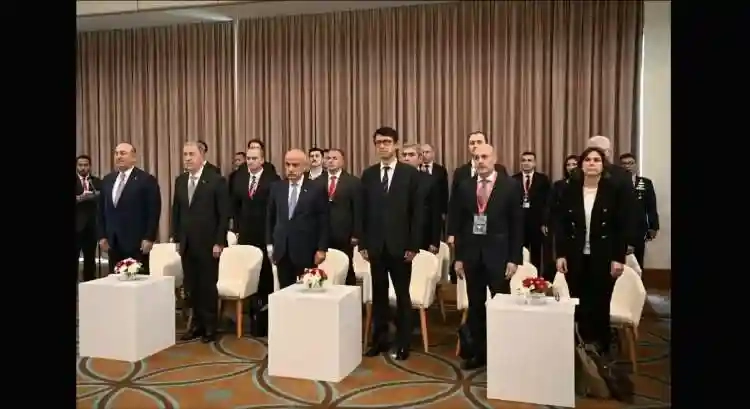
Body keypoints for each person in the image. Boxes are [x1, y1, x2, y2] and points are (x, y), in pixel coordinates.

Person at [448, 143, 523, 370]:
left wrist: (514, 259)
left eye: (484, 156)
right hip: (472, 256)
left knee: (502, 305)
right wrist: (459, 257)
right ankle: (479, 353)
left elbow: (517, 225)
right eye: (476, 157)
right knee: (476, 306)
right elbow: (459, 224)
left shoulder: (510, 186)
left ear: (494, 158)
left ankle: (504, 354)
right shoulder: (465, 186)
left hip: (499, 256)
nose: (480, 161)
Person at [554, 147, 628, 355]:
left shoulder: (613, 190)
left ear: (603, 165)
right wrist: (560, 254)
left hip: (604, 254)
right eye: (588, 160)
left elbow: (620, 226)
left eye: (597, 160)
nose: (592, 163)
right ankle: (580, 344)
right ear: (581, 165)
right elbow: (561, 224)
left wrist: (618, 258)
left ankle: (601, 344)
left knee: (600, 300)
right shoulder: (570, 190)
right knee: (578, 299)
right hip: (575, 254)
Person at [360, 127, 423, 361]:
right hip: (376, 247)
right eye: (378, 142)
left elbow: (418, 213)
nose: (382, 146)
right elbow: (363, 212)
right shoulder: (368, 175)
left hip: (401, 247)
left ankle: (403, 342)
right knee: (379, 295)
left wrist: (413, 246)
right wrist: (363, 243)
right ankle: (379, 340)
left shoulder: (410, 174)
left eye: (387, 141)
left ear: (396, 145)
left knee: (402, 295)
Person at [171, 142, 231, 343]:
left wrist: (219, 242)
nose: (187, 158)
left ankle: (210, 327)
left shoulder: (216, 180)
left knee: (207, 286)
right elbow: (176, 212)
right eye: (185, 154)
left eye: (191, 154)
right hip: (187, 243)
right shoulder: (180, 181)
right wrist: (176, 238)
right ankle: (195, 325)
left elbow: (223, 214)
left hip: (208, 243)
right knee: (191, 286)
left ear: (202, 155)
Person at [266, 149, 330, 289]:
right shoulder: (277, 187)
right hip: (282, 251)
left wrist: (322, 249)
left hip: (306, 250)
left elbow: (324, 220)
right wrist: (269, 244)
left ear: (305, 166)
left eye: (295, 165)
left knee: (307, 292)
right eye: (287, 164)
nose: (290, 169)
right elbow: (270, 217)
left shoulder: (316, 188)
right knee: (285, 291)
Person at [97, 143, 161, 275]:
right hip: (113, 242)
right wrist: (102, 236)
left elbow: (153, 211)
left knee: (137, 280)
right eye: (116, 153)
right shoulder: (108, 180)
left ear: (133, 157)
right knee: (115, 280)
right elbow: (101, 210)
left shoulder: (146, 180)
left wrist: (149, 237)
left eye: (123, 153)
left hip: (137, 242)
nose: (119, 156)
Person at [231, 146, 280, 295]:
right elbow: (235, 205)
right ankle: (249, 302)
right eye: (248, 159)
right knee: (247, 268)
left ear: (262, 160)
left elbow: (275, 209)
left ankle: (264, 301)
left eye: (254, 158)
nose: (250, 161)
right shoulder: (239, 178)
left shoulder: (273, 180)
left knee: (264, 269)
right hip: (245, 231)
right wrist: (236, 228)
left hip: (264, 231)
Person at [324, 148, 363, 285]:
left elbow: (358, 209)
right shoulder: (317, 181)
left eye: (335, 158)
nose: (331, 161)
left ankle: (350, 294)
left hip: (345, 234)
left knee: (346, 267)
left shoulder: (353, 182)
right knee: (324, 267)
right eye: (328, 158)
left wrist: (356, 233)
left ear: (342, 161)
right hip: (322, 233)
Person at [512, 151, 551, 275]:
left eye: (529, 160)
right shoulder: (513, 179)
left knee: (536, 254)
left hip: (536, 223)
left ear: (535, 163)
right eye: (524, 160)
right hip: (519, 223)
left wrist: (545, 222)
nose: (526, 163)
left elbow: (547, 202)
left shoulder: (543, 179)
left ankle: (535, 280)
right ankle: (519, 279)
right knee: (519, 253)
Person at [619, 152, 660, 268]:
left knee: (637, 261)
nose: (627, 166)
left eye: (630, 163)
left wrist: (654, 226)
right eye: (624, 164)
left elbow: (651, 206)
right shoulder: (615, 183)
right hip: (620, 228)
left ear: (636, 165)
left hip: (639, 228)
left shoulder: (645, 183)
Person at [401, 144, 441, 253]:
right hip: (398, 238)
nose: (406, 158)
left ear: (420, 158)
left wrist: (434, 242)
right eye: (404, 155)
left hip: (423, 237)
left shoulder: (430, 181)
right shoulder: (394, 180)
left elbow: (435, 213)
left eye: (411, 155)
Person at [76, 154, 102, 282]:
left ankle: (89, 285)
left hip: (91, 227)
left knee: (90, 260)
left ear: (90, 166)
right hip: (76, 227)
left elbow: (104, 198)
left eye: (85, 165)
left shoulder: (96, 181)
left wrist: (96, 195)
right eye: (80, 165)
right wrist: (79, 198)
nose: (83, 168)